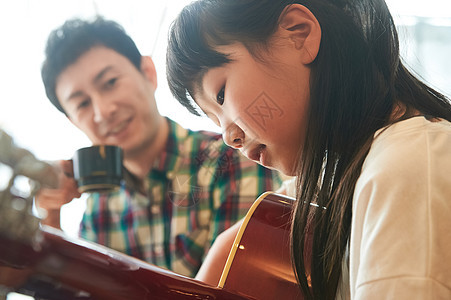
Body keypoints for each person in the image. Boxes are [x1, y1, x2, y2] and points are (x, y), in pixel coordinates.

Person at [166, 0, 451, 299]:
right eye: (213, 119)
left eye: (221, 94)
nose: (228, 137)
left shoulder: (407, 165)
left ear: (298, 34)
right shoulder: (337, 177)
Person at [36, 16, 283, 278]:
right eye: (82, 104)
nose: (103, 111)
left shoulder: (232, 160)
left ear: (148, 73)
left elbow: (236, 289)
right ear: (72, 121)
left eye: (110, 83)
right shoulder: (98, 209)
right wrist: (50, 220)